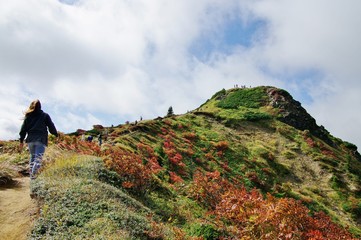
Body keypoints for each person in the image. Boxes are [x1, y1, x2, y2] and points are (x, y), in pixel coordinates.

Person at [19, 100, 58, 180]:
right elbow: (51, 127)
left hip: (30, 140)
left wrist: (21, 140)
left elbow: (23, 130)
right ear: (40, 106)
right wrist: (56, 134)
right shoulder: (45, 115)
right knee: (38, 159)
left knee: (33, 158)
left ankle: (32, 177)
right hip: (40, 139)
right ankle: (33, 178)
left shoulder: (28, 117)